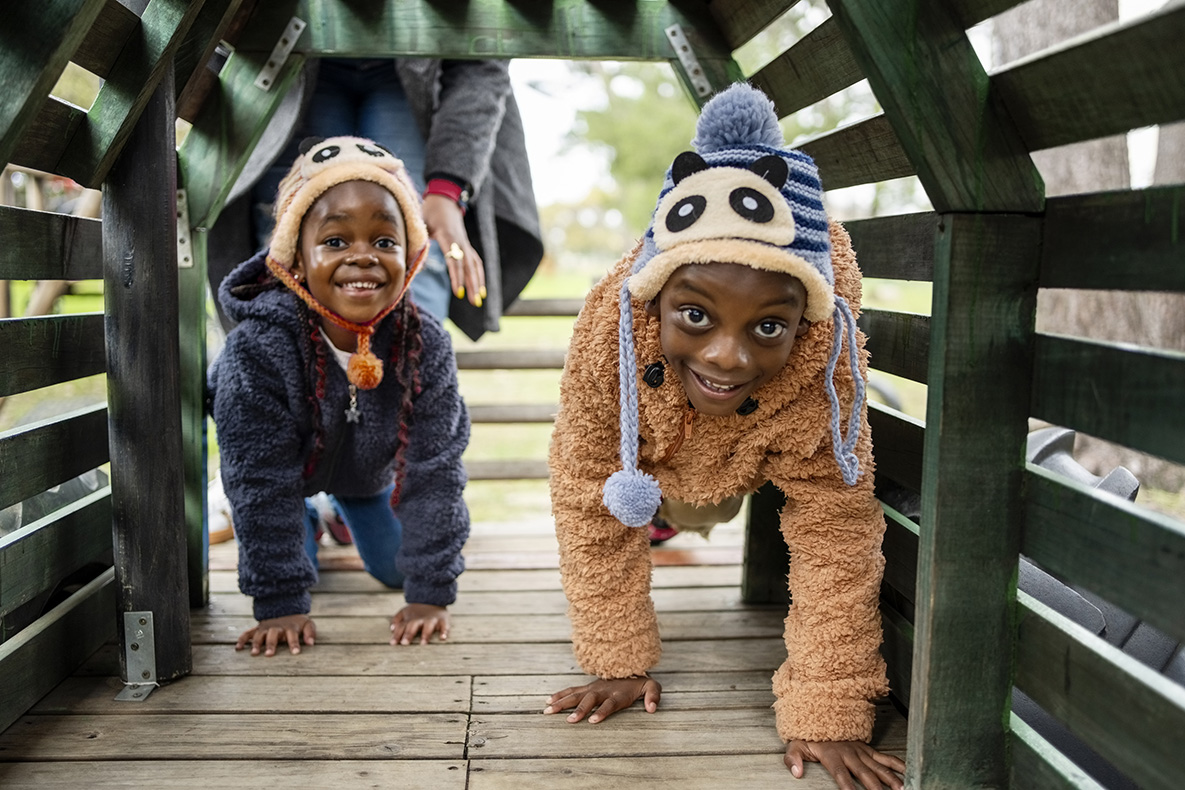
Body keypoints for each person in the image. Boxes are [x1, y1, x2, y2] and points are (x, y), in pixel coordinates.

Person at [543, 84, 904, 788]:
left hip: (748, 460)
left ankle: (681, 516)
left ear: (806, 325)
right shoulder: (607, 335)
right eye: (697, 316)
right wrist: (618, 660)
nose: (727, 356)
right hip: (652, 457)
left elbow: (836, 535)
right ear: (658, 297)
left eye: (768, 325)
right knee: (648, 508)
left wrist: (825, 710)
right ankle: (663, 521)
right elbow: (586, 494)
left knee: (725, 505)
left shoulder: (825, 372)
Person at [207, 136, 470, 657]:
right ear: (294, 260)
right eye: (334, 242)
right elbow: (259, 478)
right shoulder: (256, 350)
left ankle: (339, 514)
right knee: (296, 570)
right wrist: (279, 600)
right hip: (282, 477)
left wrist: (431, 593)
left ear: (410, 256)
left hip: (365, 477)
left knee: (398, 571)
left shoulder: (423, 345)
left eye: (384, 241)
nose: (362, 257)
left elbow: (435, 469)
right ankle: (307, 518)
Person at [208, 58, 543, 338]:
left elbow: (482, 58)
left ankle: (409, 387)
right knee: (284, 252)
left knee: (419, 263)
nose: (361, 261)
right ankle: (285, 387)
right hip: (292, 56)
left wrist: (447, 190)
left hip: (419, 62)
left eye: (383, 245)